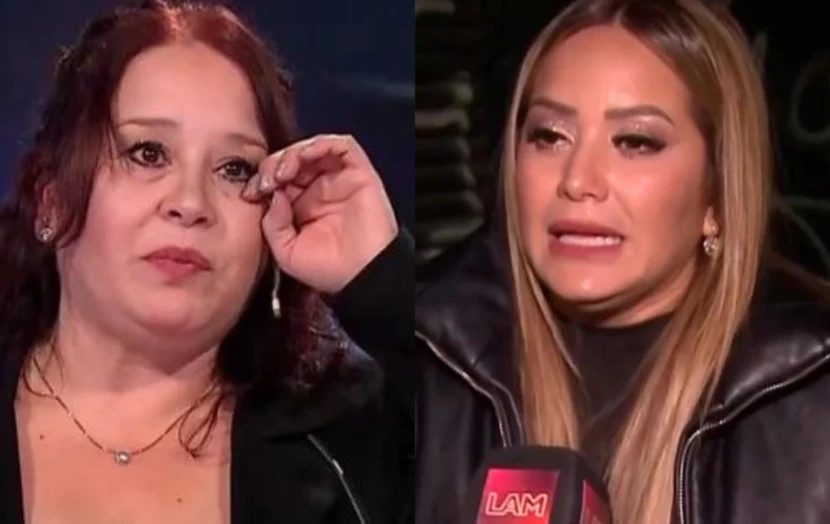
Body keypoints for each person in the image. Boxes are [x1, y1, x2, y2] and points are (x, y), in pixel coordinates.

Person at [415, 0, 830, 522]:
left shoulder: (809, 395)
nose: (577, 180)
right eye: (549, 136)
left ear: (718, 197)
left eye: (635, 142)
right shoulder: (425, 362)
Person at [0, 1, 413, 523]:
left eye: (234, 169)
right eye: (148, 153)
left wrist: (382, 279)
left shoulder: (354, 442)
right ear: (52, 201)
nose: (191, 203)